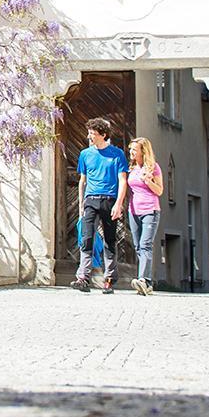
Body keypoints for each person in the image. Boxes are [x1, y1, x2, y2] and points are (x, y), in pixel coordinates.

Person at [70, 117, 128, 293]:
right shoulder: (85, 154)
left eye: (93, 133)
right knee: (86, 239)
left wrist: (118, 204)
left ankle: (109, 279)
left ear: (103, 135)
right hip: (91, 200)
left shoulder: (117, 154)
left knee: (110, 241)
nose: (89, 136)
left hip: (110, 200)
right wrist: (81, 205)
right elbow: (82, 181)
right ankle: (83, 278)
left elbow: (123, 180)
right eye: (89, 133)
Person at [125, 137, 165, 296]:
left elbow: (160, 191)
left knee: (145, 244)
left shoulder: (153, 168)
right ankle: (146, 284)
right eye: (131, 149)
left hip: (150, 210)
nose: (131, 152)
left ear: (143, 151)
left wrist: (148, 181)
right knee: (137, 246)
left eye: (134, 149)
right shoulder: (132, 168)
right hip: (134, 211)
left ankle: (144, 280)